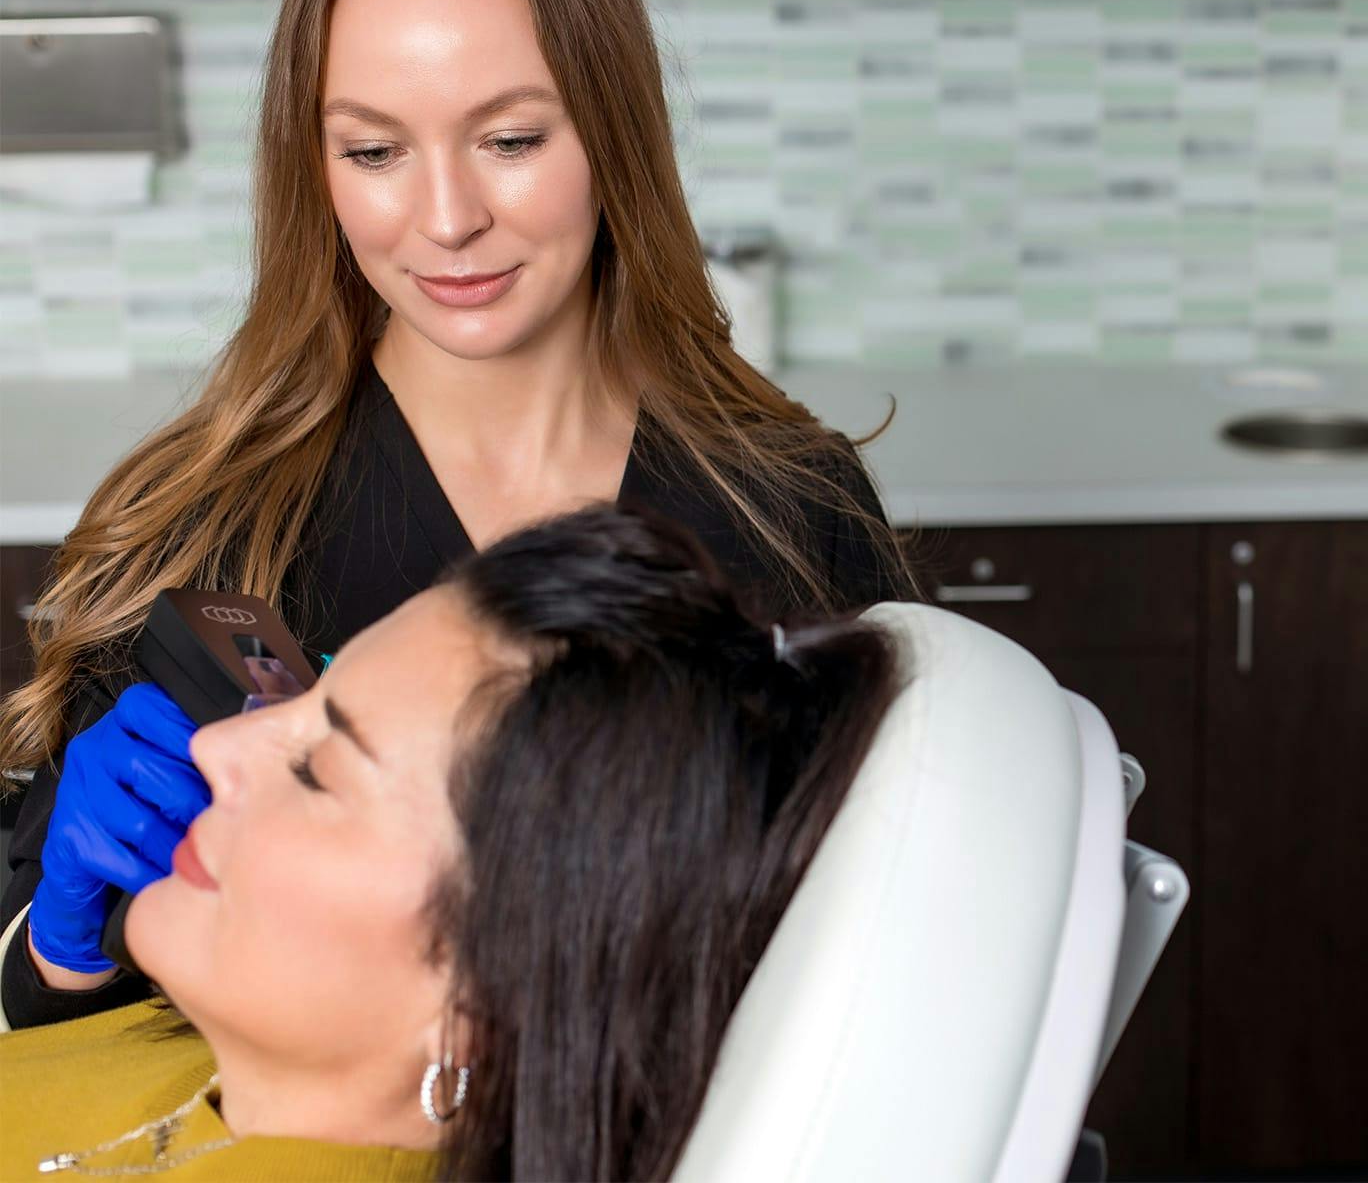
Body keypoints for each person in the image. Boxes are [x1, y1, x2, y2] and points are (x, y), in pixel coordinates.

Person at [0, 0, 912, 1029]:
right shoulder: (212, 531)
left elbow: (910, 932)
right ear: (315, 169)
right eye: (374, 152)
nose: (446, 219)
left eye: (512, 139)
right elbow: (45, 1007)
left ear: (613, 139)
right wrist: (67, 937)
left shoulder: (787, 505)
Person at [0, 506, 903, 1181]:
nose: (213, 745)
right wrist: (54, 953)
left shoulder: (790, 505)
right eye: (301, 700)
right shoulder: (256, 1034)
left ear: (488, 994)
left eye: (318, 768)